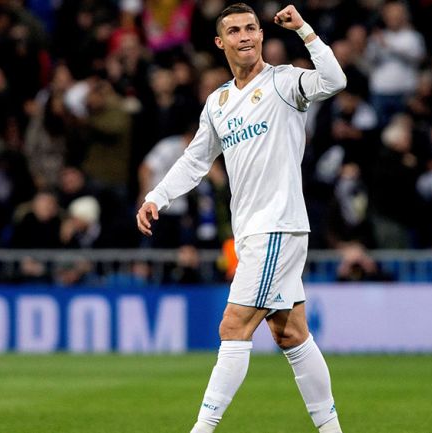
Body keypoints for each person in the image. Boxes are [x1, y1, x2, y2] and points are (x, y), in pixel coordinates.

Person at [136, 4, 346, 433]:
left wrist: (304, 29)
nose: (245, 35)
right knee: (291, 334)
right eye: (234, 30)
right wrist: (158, 195)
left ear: (262, 36)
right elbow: (196, 160)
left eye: (252, 27)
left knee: (232, 325)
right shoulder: (218, 102)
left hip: (277, 224)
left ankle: (201, 429)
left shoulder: (285, 82)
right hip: (251, 230)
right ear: (220, 42)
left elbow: (334, 80)